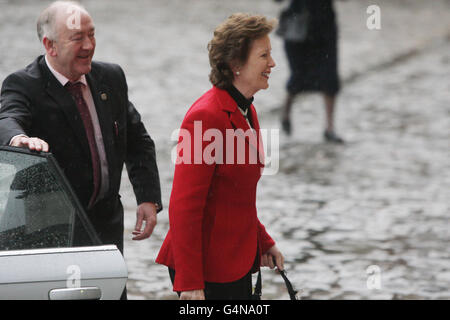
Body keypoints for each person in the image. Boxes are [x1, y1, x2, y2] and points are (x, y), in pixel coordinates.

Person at [0, 0, 162, 295]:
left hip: (104, 227)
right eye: (78, 38)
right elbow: (8, 117)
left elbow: (137, 139)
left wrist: (148, 198)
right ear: (50, 45)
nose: (89, 45)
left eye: (92, 34)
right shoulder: (24, 84)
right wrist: (17, 139)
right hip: (47, 232)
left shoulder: (110, 77)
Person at [156, 13, 284, 300]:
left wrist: (262, 241)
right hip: (206, 269)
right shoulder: (205, 116)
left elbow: (234, 196)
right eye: (264, 56)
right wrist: (190, 282)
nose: (272, 64)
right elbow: (184, 205)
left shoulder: (245, 109)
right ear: (236, 64)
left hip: (233, 260)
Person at [276, 0, 344, 143]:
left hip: (324, 28)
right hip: (299, 28)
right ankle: (286, 112)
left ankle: (329, 127)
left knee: (329, 75)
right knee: (299, 75)